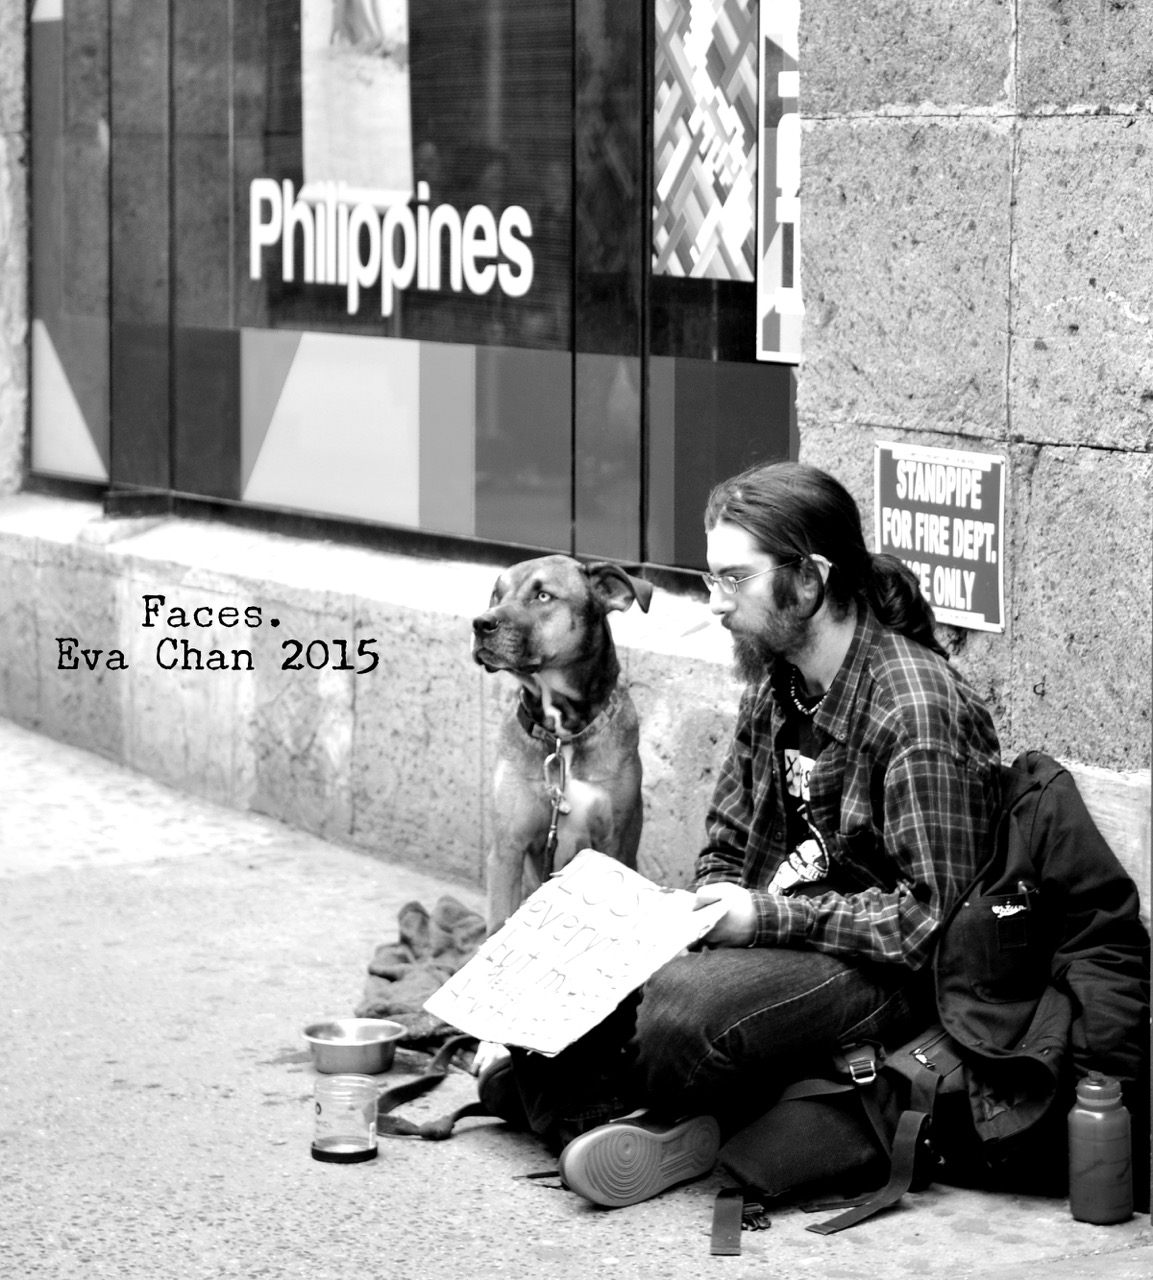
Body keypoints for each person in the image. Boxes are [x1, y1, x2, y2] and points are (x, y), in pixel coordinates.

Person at [481, 460, 1003, 1207]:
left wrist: (760, 919)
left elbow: (929, 923)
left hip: (879, 973)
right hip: (773, 945)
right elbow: (727, 841)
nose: (715, 602)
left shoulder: (912, 708)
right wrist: (699, 911)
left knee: (677, 1011)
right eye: (711, 578)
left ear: (809, 581)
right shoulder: (776, 682)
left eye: (734, 579)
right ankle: (614, 1111)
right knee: (553, 966)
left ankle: (598, 1112)